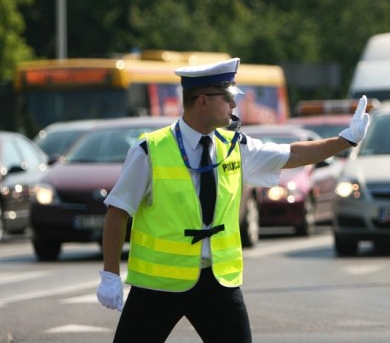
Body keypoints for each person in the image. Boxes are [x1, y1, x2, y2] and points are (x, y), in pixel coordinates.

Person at [96, 57, 370, 343]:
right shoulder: (149, 150)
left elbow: (294, 154)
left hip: (217, 282)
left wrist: (345, 140)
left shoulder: (234, 146)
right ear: (202, 101)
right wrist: (110, 274)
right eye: (228, 97)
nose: (235, 105)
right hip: (159, 284)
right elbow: (118, 212)